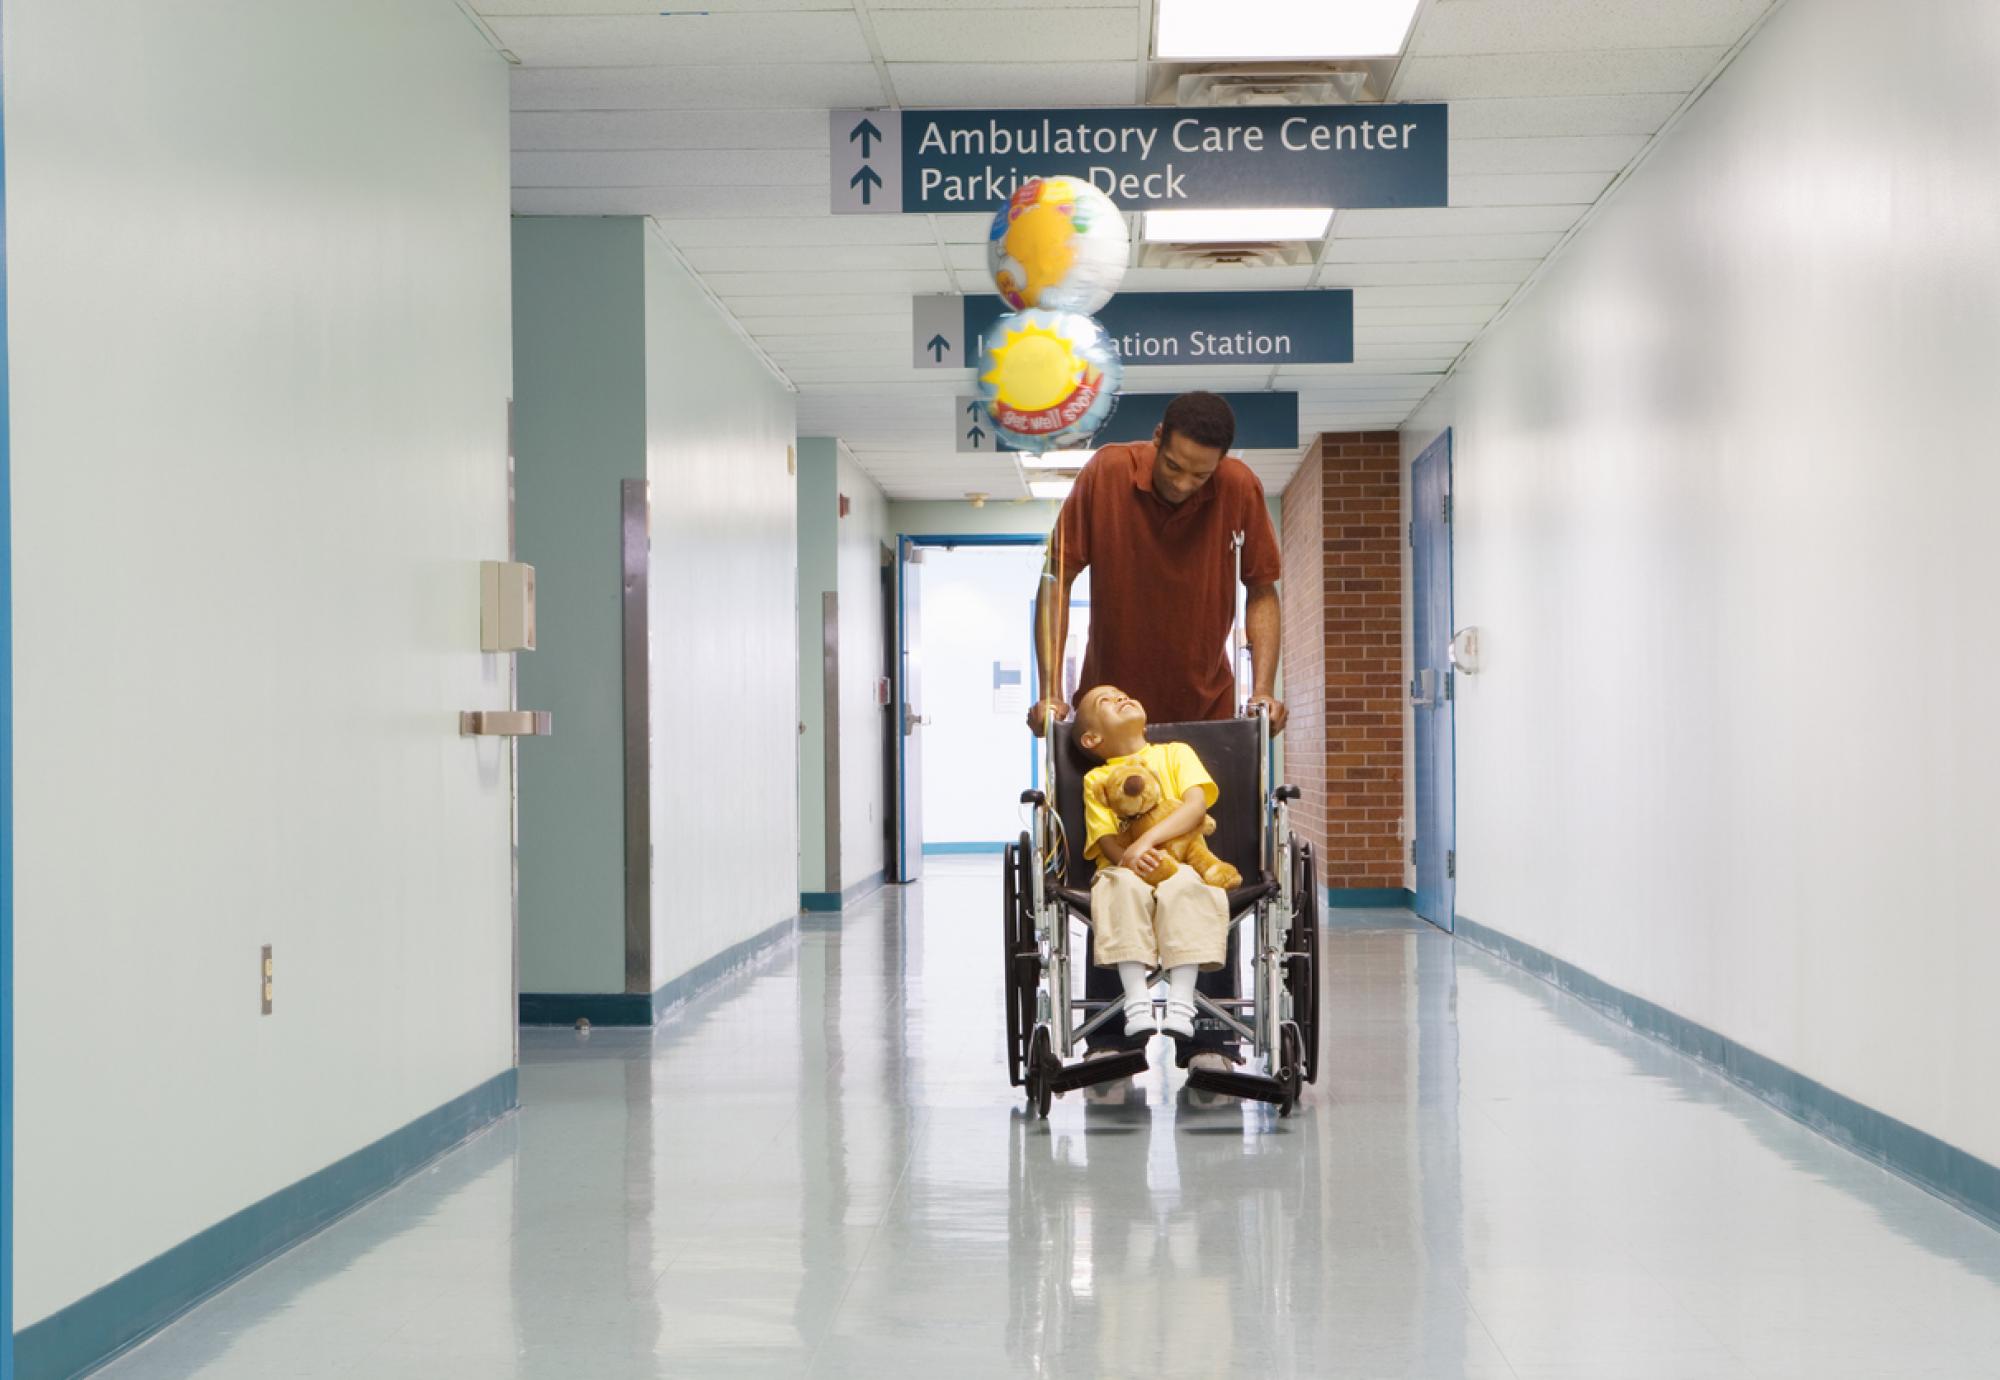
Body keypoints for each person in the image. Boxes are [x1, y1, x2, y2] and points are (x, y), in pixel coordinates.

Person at [1027, 391, 1285, 1084]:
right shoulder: (1108, 474)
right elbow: (1055, 578)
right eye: (1175, 467)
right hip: (1109, 717)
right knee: (1107, 867)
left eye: (1200, 474)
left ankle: (1213, 1028)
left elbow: (1263, 588)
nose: (1184, 483)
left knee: (1210, 862)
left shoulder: (1238, 490)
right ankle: (1114, 1031)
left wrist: (1263, 688)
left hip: (1206, 709)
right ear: (1157, 438)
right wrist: (1052, 690)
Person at [1073, 685, 1231, 1046]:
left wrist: (1146, 841)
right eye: (1106, 702)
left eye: (1123, 694)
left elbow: (1195, 808)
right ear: (1092, 738)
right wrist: (1130, 857)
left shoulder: (1177, 753)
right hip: (1126, 868)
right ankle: (1136, 1001)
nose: (1122, 697)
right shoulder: (1095, 780)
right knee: (1120, 889)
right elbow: (1105, 838)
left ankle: (1181, 1004)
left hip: (1179, 863)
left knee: (1189, 888)